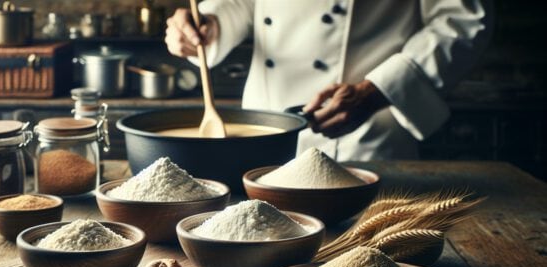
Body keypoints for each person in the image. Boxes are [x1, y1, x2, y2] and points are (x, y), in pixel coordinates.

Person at [165, 0, 493, 161]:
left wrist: (379, 89)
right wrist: (207, 26)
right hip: (264, 132)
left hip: (363, 135)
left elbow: (462, 21)